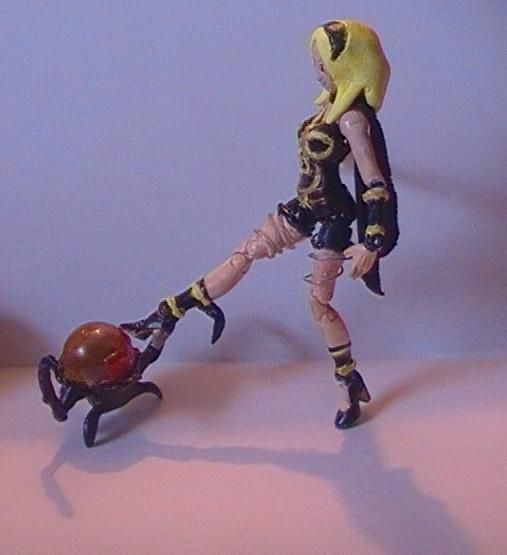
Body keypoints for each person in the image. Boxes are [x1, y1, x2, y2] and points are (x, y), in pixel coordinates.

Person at [122, 20, 399, 428]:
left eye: (322, 63)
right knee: (246, 252)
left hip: (334, 218)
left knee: (319, 304)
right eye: (316, 62)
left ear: (346, 65)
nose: (317, 71)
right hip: (306, 206)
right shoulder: (329, 108)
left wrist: (371, 242)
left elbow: (375, 183)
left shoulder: (352, 120)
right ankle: (172, 310)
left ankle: (348, 380)